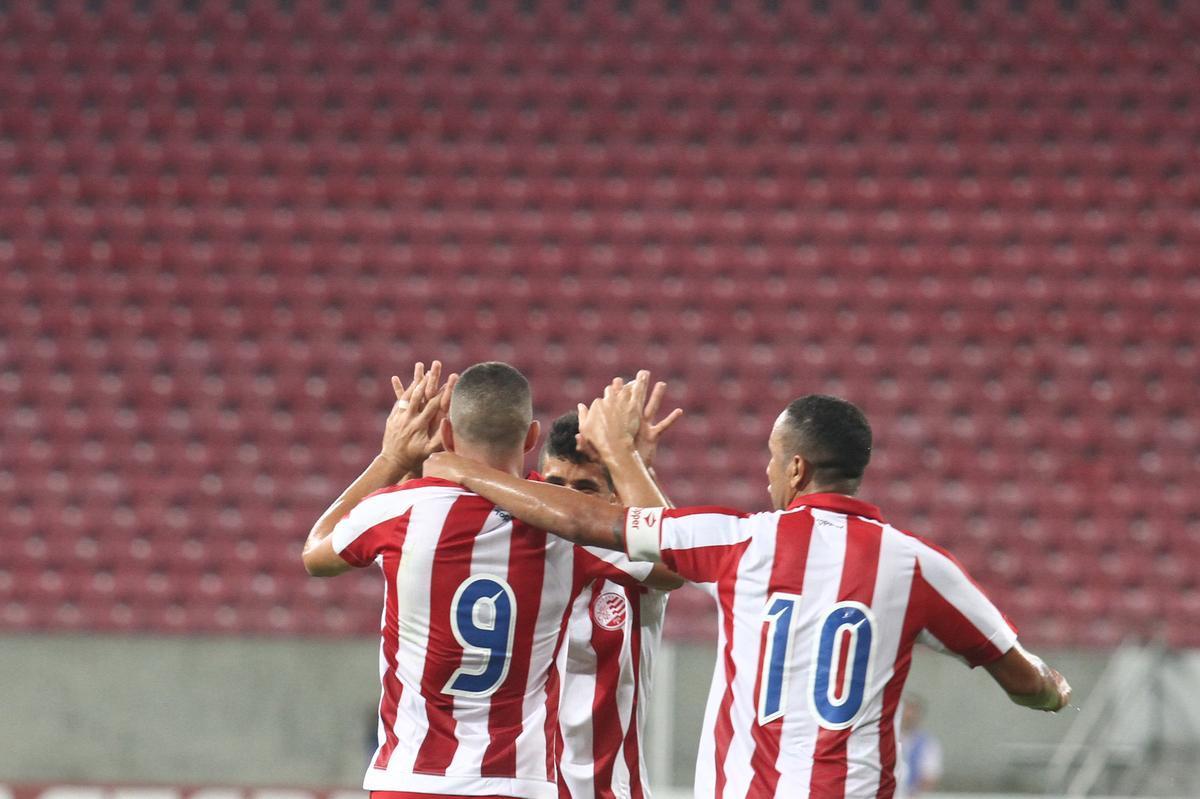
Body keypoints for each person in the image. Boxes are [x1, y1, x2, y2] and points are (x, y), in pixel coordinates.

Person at [424, 385, 1073, 799]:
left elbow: (597, 524)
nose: (766, 473)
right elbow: (1026, 679)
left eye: (771, 457)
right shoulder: (921, 567)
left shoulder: (744, 539)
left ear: (796, 467)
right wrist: (1053, 690)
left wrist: (462, 469)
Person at [301, 362, 672, 799]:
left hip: (409, 779)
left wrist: (394, 459)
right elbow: (672, 557)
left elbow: (316, 552)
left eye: (585, 488)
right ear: (530, 440)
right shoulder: (564, 530)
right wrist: (627, 458)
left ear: (448, 434)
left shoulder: (400, 510)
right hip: (515, 782)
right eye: (557, 483)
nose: (569, 493)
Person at [540, 393, 681, 799]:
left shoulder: (634, 563)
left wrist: (638, 470)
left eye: (585, 489)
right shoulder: (521, 550)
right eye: (555, 486)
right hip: (523, 786)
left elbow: (675, 555)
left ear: (617, 497)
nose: (567, 501)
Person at [896, 695, 942, 798]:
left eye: (913, 711)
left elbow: (930, 776)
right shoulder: (888, 740)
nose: (909, 715)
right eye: (906, 710)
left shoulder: (928, 743)